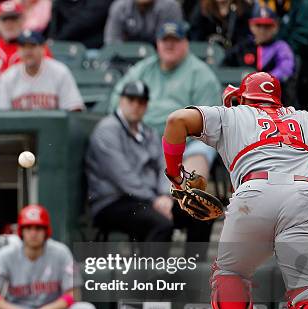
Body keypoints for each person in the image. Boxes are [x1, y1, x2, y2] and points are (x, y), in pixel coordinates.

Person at [161, 71, 308, 309]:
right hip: (307, 197)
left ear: (244, 97)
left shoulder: (232, 114)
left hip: (255, 194)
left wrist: (176, 178)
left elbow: (176, 120)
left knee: (232, 272)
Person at [85, 80, 212, 254]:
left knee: (200, 214)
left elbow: (164, 167)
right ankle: (152, 279)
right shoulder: (107, 131)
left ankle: (192, 273)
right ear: (121, 101)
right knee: (161, 224)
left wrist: (165, 196)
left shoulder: (148, 132)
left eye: (141, 102)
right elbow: (123, 177)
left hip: (150, 198)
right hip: (113, 202)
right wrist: (154, 200)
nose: (136, 106)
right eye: (131, 100)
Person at [109, 21, 221, 185]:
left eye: (175, 40)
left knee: (201, 152)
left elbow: (208, 123)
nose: (169, 45)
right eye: (165, 40)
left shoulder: (202, 75)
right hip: (141, 138)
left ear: (185, 43)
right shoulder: (143, 69)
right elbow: (116, 101)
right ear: (157, 43)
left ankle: (184, 205)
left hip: (186, 145)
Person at [257, 0, 308, 113]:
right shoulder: (273, 5)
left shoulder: (306, 7)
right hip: (285, 75)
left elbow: (304, 39)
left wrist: (279, 47)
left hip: (306, 74)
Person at [0, 30, 84, 111]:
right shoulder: (8, 76)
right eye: (23, 47)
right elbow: (2, 115)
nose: (27, 51)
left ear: (43, 49)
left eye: (32, 46)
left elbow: (74, 108)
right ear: (18, 50)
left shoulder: (60, 72)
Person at [223, 6, 294, 89]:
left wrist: (263, 80)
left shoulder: (281, 47)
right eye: (258, 25)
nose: (262, 30)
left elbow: (285, 69)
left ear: (276, 28)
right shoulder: (243, 46)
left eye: (268, 26)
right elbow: (225, 66)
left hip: (272, 95)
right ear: (251, 26)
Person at [0, 0, 51, 74]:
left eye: (13, 18)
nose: (9, 24)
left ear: (23, 20)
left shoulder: (38, 47)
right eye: (4, 19)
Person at [104, 0, 182, 45]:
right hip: (125, 60)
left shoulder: (170, 7)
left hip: (160, 61)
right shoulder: (120, 7)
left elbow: (170, 44)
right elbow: (112, 43)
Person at [48, 0, 113, 49]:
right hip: (64, 45)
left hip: (93, 48)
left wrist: (56, 40)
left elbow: (84, 21)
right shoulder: (59, 3)